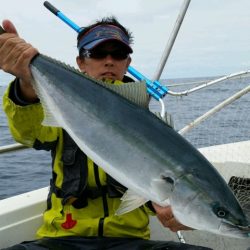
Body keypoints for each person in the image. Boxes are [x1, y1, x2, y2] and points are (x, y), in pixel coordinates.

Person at [0, 17, 210, 250]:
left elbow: (153, 184)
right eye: (98, 53)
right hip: (62, 238)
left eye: (118, 53)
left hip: (129, 240)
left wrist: (173, 209)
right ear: (81, 62)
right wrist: (26, 83)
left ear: (127, 62)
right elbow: (28, 134)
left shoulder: (146, 121)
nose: (109, 61)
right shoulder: (60, 107)